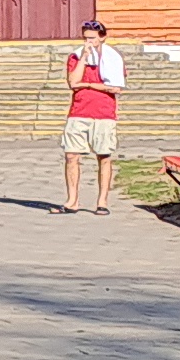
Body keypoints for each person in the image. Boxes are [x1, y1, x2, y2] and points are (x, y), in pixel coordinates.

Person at [58, 20, 124, 215]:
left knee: (104, 156)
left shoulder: (113, 58)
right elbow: (73, 82)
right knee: (71, 155)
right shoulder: (76, 56)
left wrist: (88, 85)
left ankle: (102, 201)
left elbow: (115, 87)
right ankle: (72, 200)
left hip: (104, 112)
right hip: (79, 111)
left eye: (93, 38)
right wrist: (84, 58)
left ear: (102, 38)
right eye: (86, 38)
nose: (89, 42)